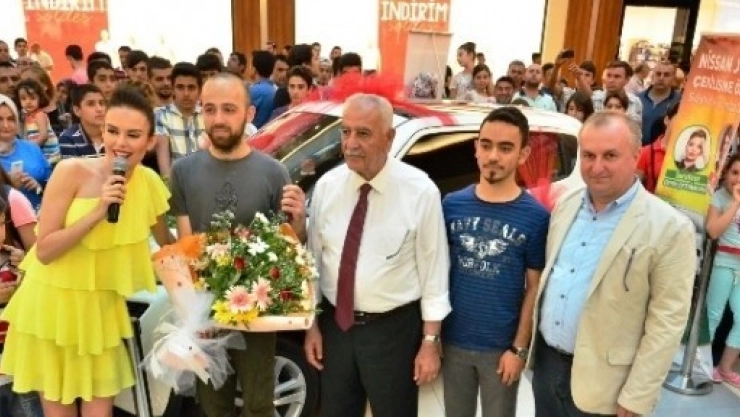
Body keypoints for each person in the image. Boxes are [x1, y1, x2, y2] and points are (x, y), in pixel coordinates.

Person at [0, 85, 173, 417]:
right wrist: (98, 212)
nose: (120, 143)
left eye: (133, 135)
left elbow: (167, 248)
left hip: (101, 313)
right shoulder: (71, 171)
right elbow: (45, 250)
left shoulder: (149, 182)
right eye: (113, 131)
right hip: (52, 308)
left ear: (150, 141)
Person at [530, 111, 696, 416]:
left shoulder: (670, 228)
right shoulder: (566, 205)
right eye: (588, 155)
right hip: (547, 366)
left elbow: (667, 321)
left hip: (609, 385)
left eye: (610, 155)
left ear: (635, 156)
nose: (597, 167)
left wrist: (638, 395)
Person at [304, 93, 451, 417]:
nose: (350, 144)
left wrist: (430, 342)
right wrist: (312, 325)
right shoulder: (328, 186)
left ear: (389, 137)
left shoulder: (420, 191)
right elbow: (313, 263)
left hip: (392, 332)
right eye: (346, 132)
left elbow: (434, 272)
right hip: (335, 328)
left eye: (363, 134)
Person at [169, 72, 306, 417]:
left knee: (259, 404)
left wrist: (299, 222)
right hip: (205, 309)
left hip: (256, 312)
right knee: (212, 405)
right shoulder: (183, 171)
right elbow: (186, 246)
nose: (218, 119)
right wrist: (193, 311)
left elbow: (287, 247)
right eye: (210, 109)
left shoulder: (273, 172)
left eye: (229, 109)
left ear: (249, 113)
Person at [442, 107, 549, 417]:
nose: (493, 156)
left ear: (523, 154)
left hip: (501, 348)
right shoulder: (452, 205)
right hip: (454, 341)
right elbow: (437, 273)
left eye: (505, 148)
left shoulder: (536, 217)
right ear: (475, 148)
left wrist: (519, 348)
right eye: (486, 145)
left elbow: (534, 288)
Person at [705, 153, 740, 387]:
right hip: (724, 263)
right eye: (735, 172)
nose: (738, 179)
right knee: (713, 315)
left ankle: (726, 367)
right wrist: (736, 203)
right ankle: (703, 364)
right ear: (726, 173)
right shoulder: (719, 198)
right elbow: (713, 230)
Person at [16, 78, 61, 165]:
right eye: (23, 98)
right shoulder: (27, 117)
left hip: (51, 155)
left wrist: (30, 149)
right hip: (41, 153)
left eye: (32, 98)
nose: (28, 102)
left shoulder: (39, 115)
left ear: (40, 98)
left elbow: (43, 136)